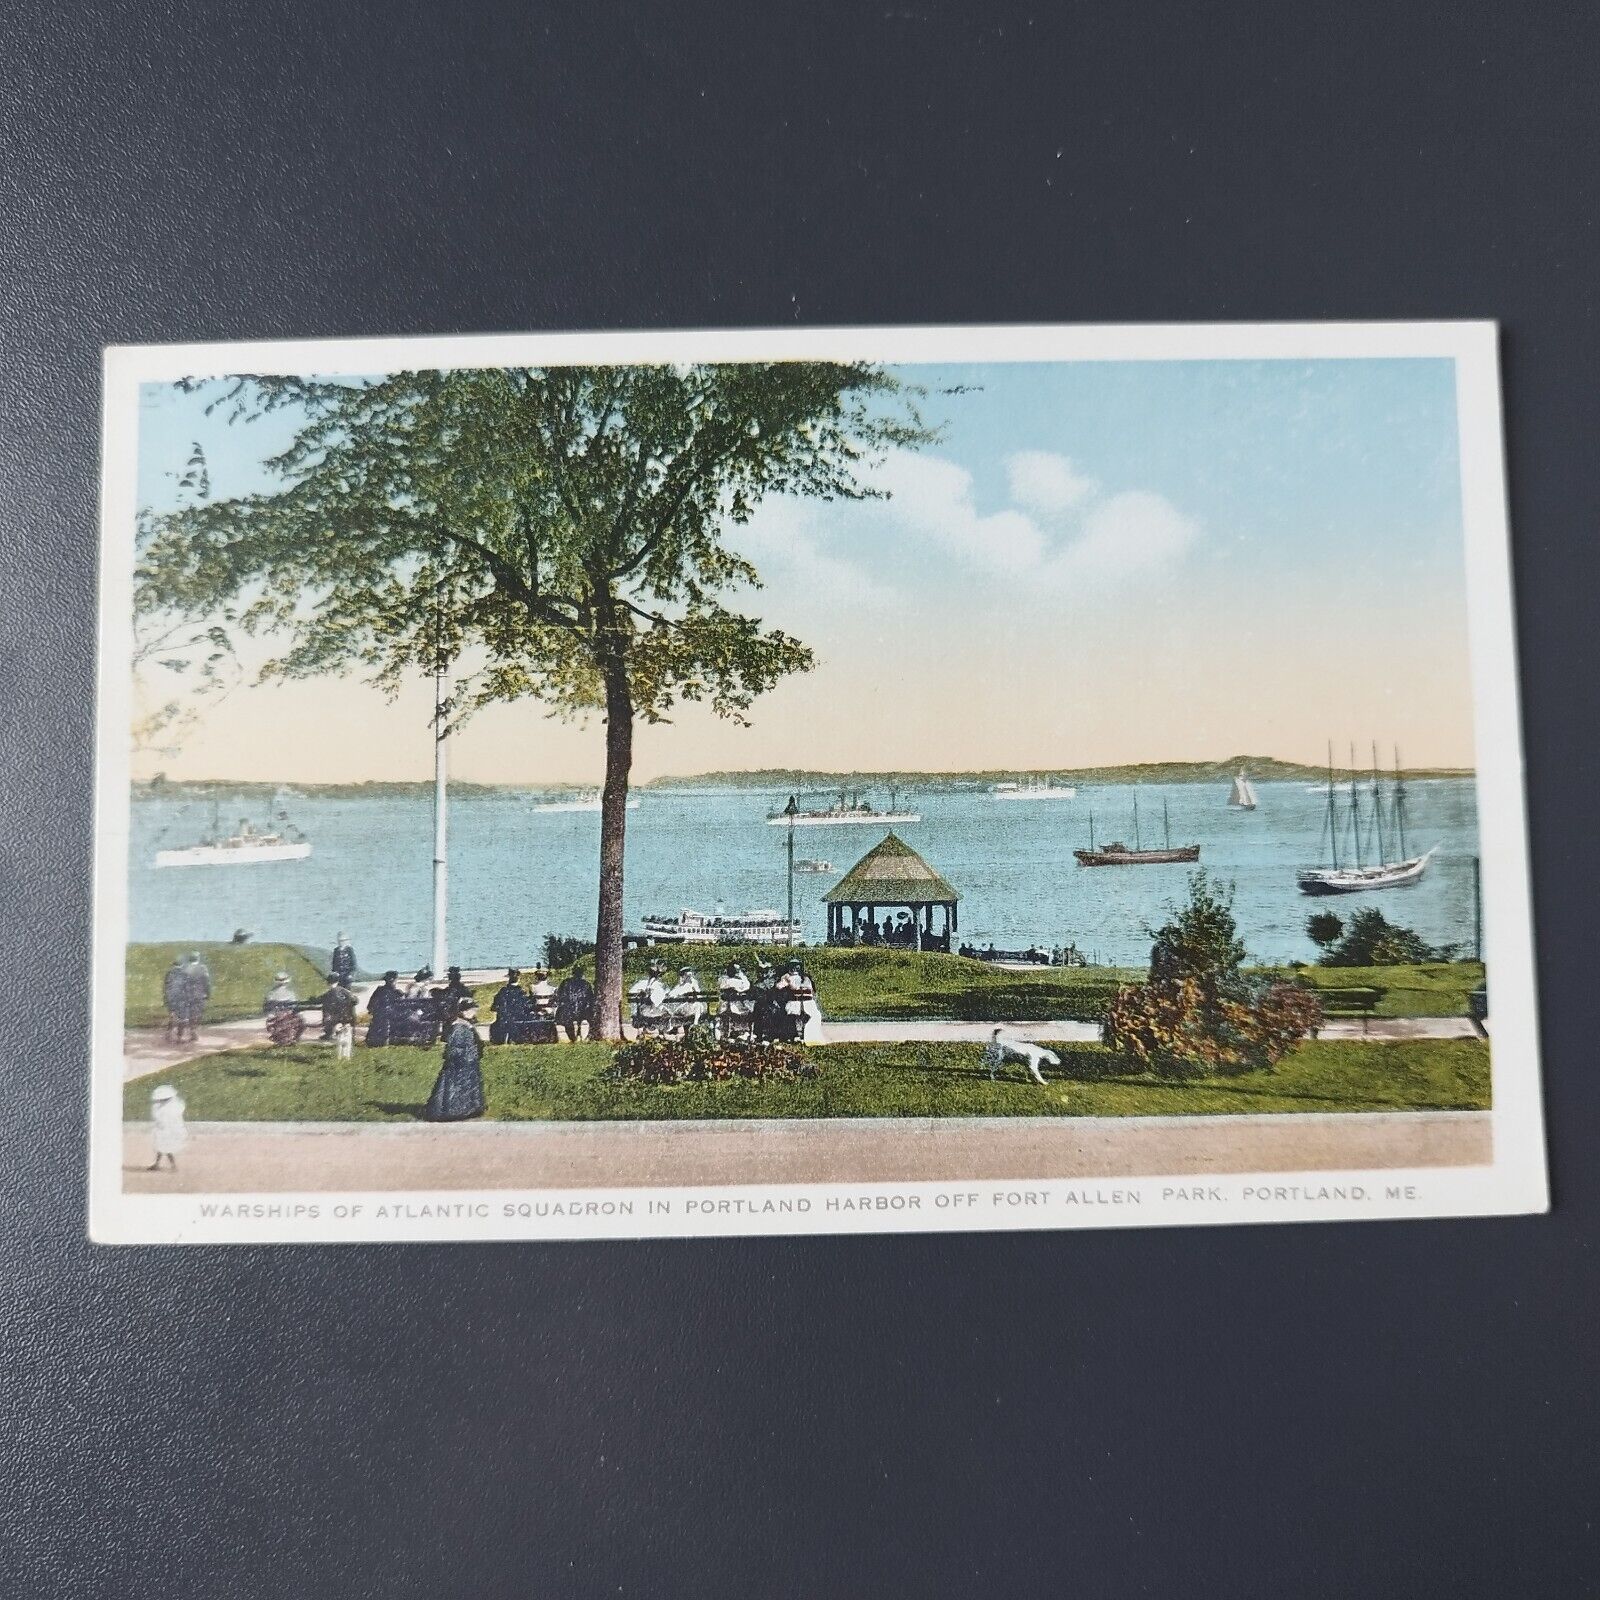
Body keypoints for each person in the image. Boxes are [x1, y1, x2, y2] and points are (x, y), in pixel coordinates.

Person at [424, 999, 486, 1121]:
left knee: (468, 1084)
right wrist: (465, 1055)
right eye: (471, 1011)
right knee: (455, 1086)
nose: (473, 1013)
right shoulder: (459, 1026)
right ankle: (455, 1110)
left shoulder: (465, 1025)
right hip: (461, 1060)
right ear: (463, 1011)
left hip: (469, 1059)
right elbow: (455, 1046)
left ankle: (468, 1109)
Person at [982, 1028, 1059, 1086]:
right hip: (1008, 1049)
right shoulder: (1035, 1055)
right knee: (1000, 1062)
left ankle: (992, 1074)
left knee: (1003, 1061)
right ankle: (992, 1075)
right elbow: (1033, 1069)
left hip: (1012, 1047)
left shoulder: (1039, 1051)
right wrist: (1044, 1082)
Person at [147, 1084, 187, 1171]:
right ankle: (158, 1164)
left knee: (166, 1148)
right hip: (164, 1129)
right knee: (160, 1147)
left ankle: (173, 1166)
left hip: (168, 1130)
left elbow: (163, 1118)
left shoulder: (171, 1107)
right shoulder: (173, 1105)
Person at [319, 970, 357, 1058]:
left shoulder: (328, 994)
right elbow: (355, 1000)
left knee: (327, 1014)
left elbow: (318, 1000)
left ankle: (328, 1034)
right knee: (346, 1036)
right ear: (338, 981)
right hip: (347, 1018)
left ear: (328, 982)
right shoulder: (345, 991)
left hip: (334, 1020)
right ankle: (346, 1055)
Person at [554, 966, 595, 1042]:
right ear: (582, 974)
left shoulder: (566, 982)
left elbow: (560, 996)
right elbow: (590, 998)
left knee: (564, 1019)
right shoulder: (586, 984)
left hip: (568, 1010)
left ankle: (572, 1037)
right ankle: (579, 1036)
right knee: (586, 1017)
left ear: (573, 973)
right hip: (583, 1010)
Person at [177, 952, 211, 1043]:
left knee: (184, 1014)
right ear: (198, 958)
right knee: (196, 1013)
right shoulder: (202, 968)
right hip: (198, 995)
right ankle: (193, 1031)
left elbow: (180, 983)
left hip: (186, 994)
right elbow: (206, 982)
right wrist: (208, 993)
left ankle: (180, 1035)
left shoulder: (184, 968)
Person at [489, 969, 527, 1045]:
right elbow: (525, 1006)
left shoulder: (503, 991)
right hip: (518, 1017)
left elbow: (494, 1006)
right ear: (518, 979)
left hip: (504, 1018)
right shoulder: (521, 992)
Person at [365, 971, 402, 1047]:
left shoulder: (379, 990)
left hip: (378, 1017)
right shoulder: (397, 993)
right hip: (391, 1018)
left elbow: (370, 1006)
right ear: (395, 981)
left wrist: (372, 1011)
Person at [718, 961, 751, 1040]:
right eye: (734, 969)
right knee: (732, 1013)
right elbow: (742, 987)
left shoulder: (738, 979)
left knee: (744, 1011)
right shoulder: (724, 979)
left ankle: (742, 1032)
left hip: (737, 1003)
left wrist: (740, 974)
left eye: (737, 970)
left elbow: (747, 986)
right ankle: (731, 1033)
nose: (735, 971)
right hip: (727, 1004)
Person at [161, 957, 186, 1042]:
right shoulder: (184, 974)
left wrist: (165, 999)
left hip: (171, 999)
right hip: (181, 999)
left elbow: (165, 988)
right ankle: (179, 1037)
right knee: (182, 1018)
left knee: (172, 1017)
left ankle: (168, 1034)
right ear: (182, 965)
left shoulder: (169, 973)